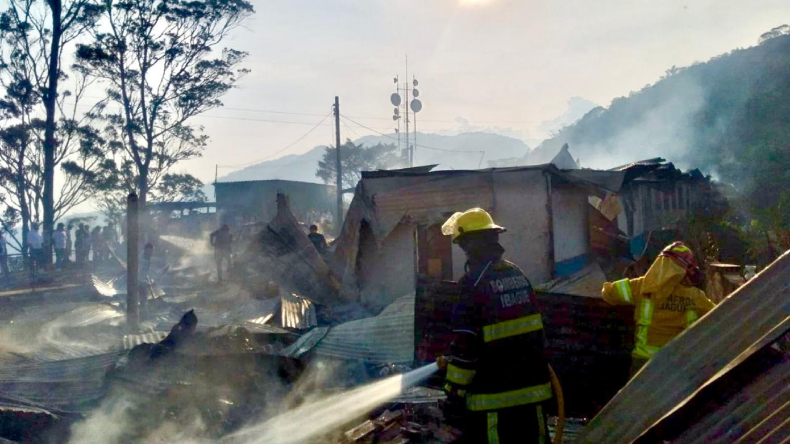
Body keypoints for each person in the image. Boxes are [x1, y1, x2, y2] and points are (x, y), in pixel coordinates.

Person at [437, 208, 552, 443]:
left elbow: (466, 349)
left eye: (462, 245)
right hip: (534, 397)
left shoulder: (472, 285)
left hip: (495, 404)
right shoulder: (517, 275)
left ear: (469, 244)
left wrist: (454, 393)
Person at [602, 241, 715, 376]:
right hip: (677, 364)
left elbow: (608, 293)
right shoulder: (695, 296)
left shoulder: (641, 286)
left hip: (643, 363)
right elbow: (718, 316)